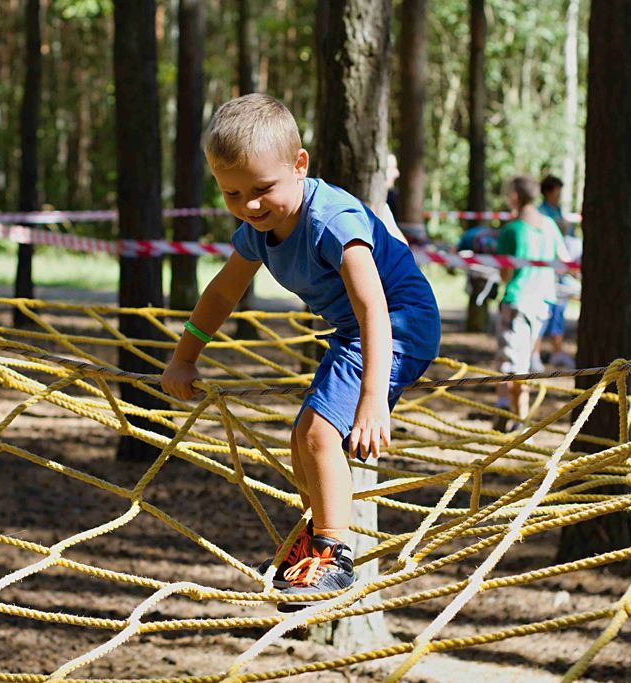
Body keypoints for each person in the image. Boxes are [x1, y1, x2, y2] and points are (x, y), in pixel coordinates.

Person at [159, 94, 439, 610]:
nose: (249, 206)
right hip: (356, 330)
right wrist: (185, 357)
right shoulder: (258, 232)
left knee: (316, 433)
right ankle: (318, 537)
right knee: (302, 439)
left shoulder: (331, 220)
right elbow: (222, 293)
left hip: (398, 324)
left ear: (300, 164)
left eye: (263, 189)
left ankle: (335, 553)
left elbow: (372, 305)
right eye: (232, 193)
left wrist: (373, 399)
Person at [493, 175, 565, 432]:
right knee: (515, 360)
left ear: (515, 196)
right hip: (542, 302)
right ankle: (504, 409)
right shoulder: (549, 225)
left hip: (517, 301)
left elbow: (504, 274)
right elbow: (564, 258)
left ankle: (520, 422)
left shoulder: (512, 229)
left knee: (514, 364)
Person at [536, 175, 576, 369]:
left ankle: (556, 352)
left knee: (559, 310)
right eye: (557, 191)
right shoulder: (541, 214)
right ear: (549, 191)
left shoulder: (558, 211)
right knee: (543, 312)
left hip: (560, 270)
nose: (559, 195)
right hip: (547, 270)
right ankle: (533, 354)